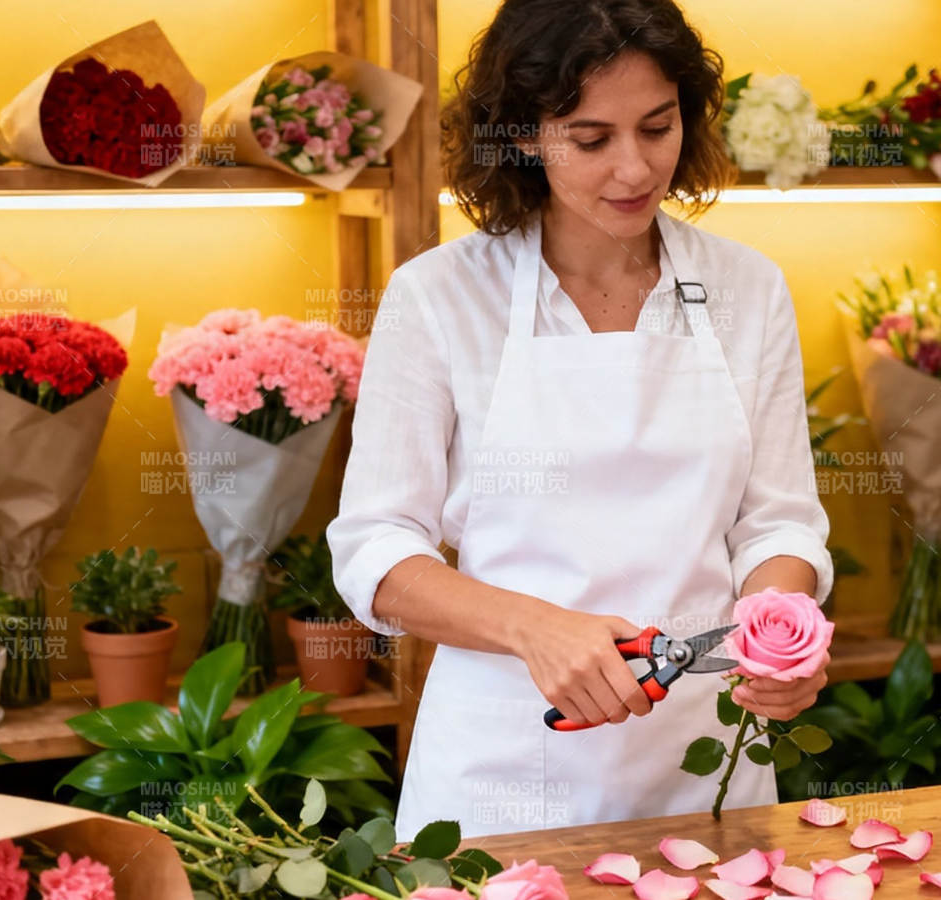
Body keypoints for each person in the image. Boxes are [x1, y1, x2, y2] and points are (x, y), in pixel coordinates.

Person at [328, 0, 833, 839]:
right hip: (502, 769)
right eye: (591, 139)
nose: (634, 169)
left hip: (705, 756)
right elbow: (375, 549)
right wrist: (536, 630)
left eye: (658, 127)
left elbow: (779, 521)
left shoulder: (748, 288)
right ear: (524, 134)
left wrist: (782, 632)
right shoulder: (441, 295)